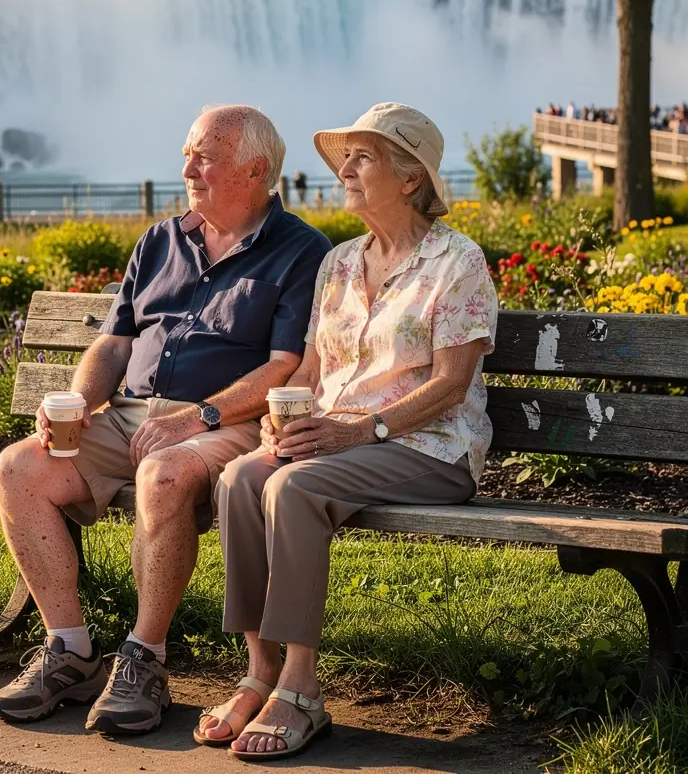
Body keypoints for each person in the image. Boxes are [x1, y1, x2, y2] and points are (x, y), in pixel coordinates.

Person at [0, 105, 331, 736]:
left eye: (205, 158)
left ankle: (144, 659)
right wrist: (79, 402)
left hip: (228, 423)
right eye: (187, 155)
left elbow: (285, 366)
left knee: (163, 476)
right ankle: (70, 650)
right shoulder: (159, 241)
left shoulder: (301, 251)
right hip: (129, 416)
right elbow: (115, 343)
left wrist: (198, 416)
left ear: (256, 171)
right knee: (19, 468)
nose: (188, 170)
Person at [199, 103, 498, 761]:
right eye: (346, 158)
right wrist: (282, 418)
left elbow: (451, 384)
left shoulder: (457, 261)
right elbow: (311, 369)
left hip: (430, 447)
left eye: (363, 158)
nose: (345, 171)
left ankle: (301, 688)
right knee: (242, 477)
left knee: (293, 489)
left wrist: (362, 430)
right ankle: (260, 672)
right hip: (339, 439)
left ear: (411, 178)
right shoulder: (338, 263)